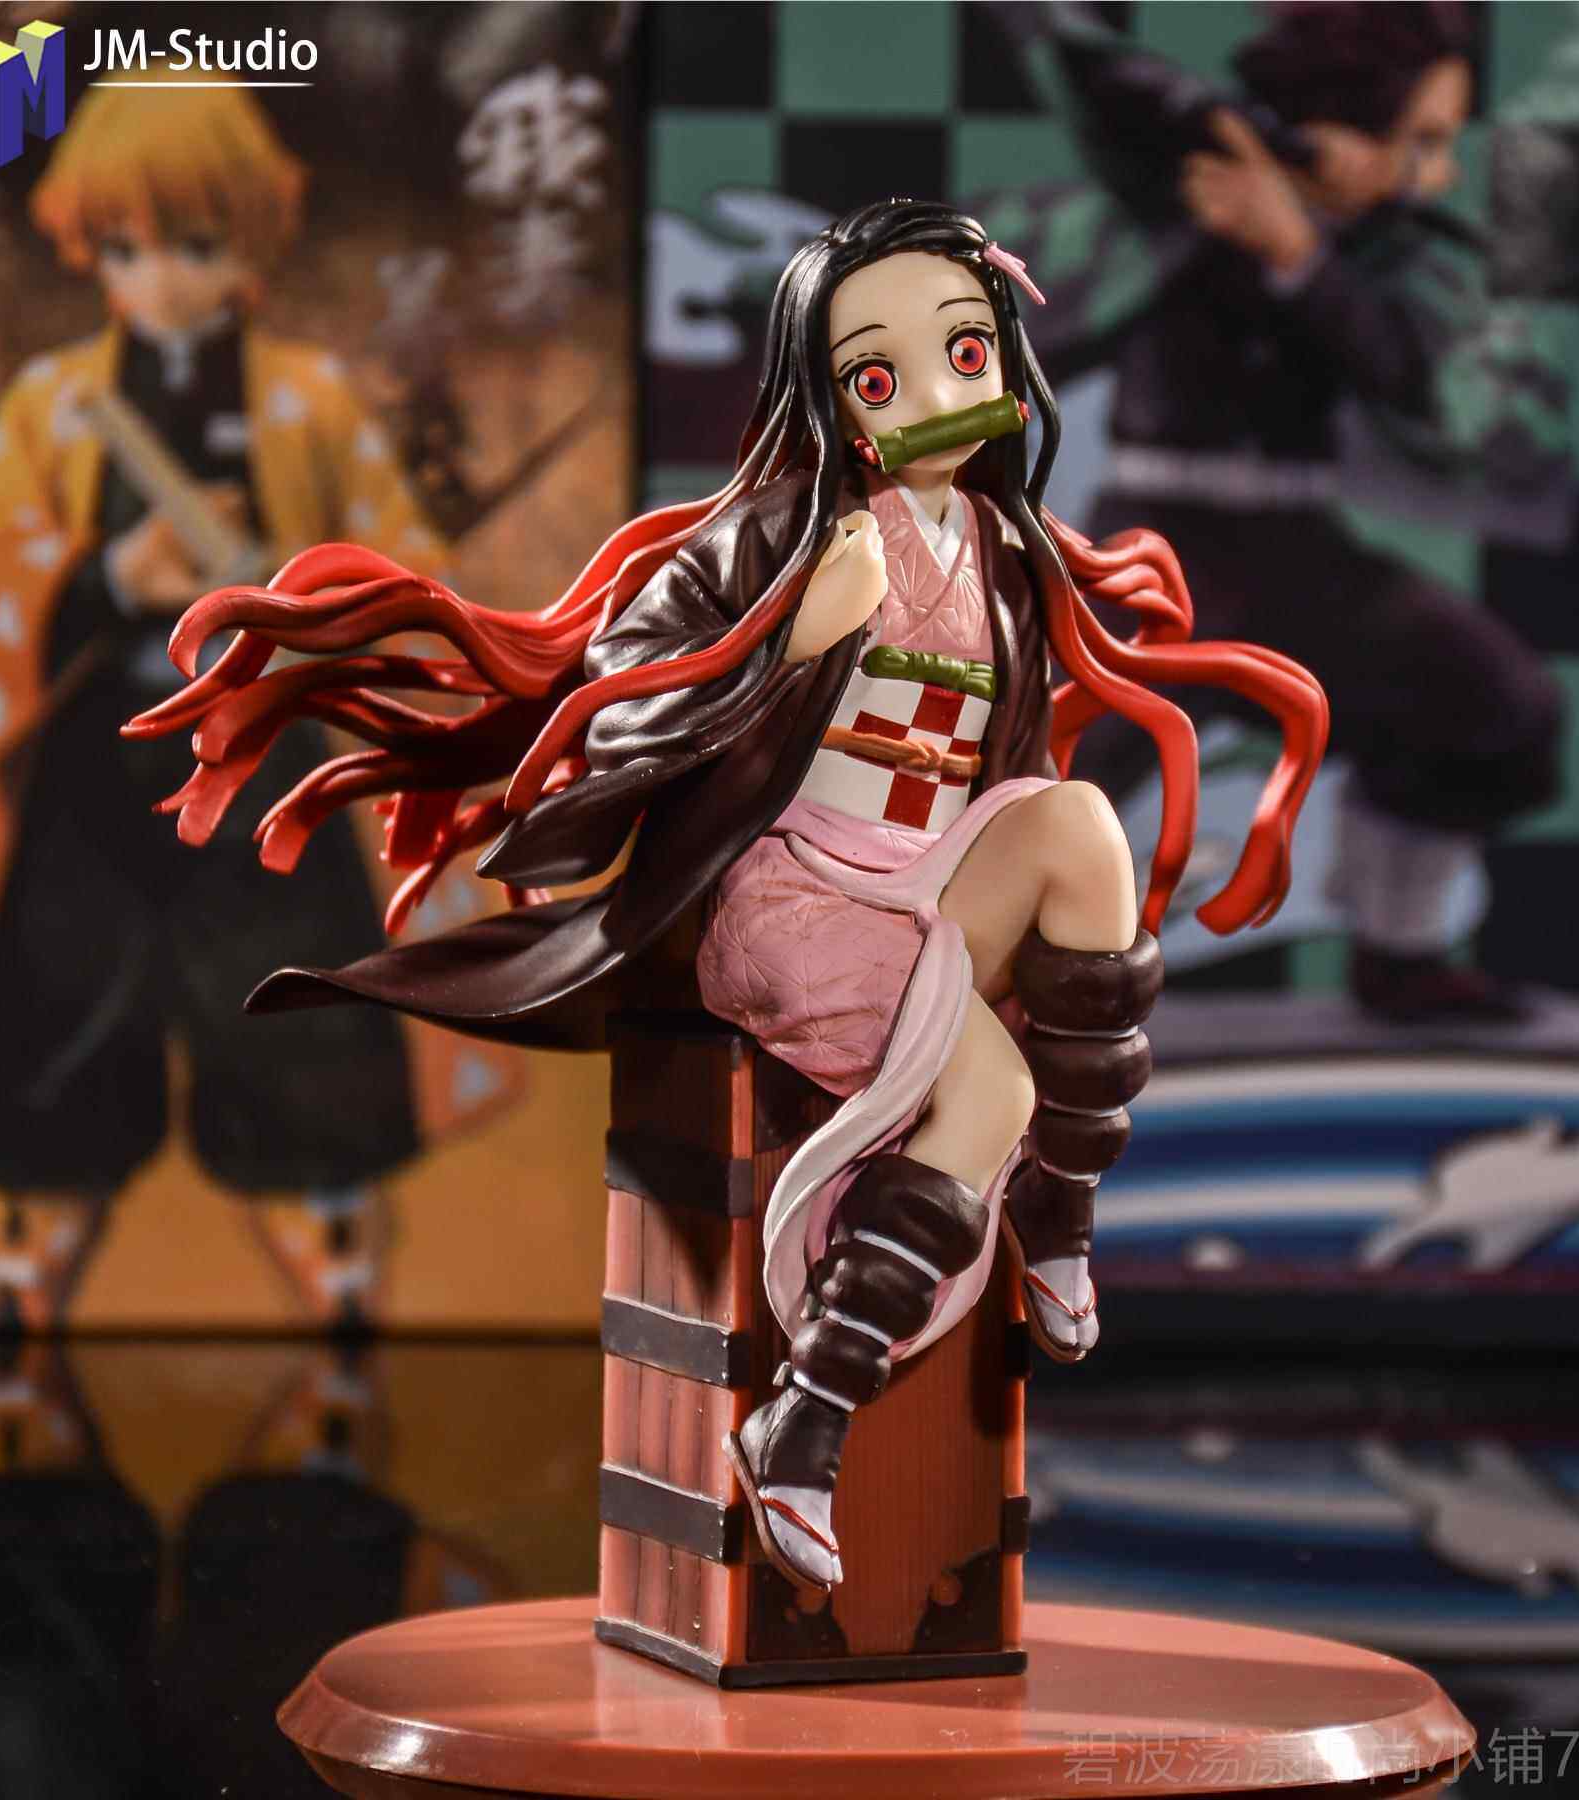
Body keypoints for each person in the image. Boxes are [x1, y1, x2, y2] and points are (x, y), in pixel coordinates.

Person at [128, 199, 1328, 1591]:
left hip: (926, 875)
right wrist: (789, 640)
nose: (931, 396)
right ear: (829, 399)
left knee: (1082, 829)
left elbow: (1013, 771)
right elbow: (618, 710)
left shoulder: (1008, 554)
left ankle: (1059, 1212)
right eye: (877, 376)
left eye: (963, 352)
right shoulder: (763, 540)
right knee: (992, 1087)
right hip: (785, 895)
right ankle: (802, 1423)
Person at [0, 78, 515, 1330]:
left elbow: (409, 576)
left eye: (194, 243)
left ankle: (340, 1338)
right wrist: (103, 579)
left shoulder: (312, 403)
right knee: (45, 1063)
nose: (161, 282)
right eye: (124, 249)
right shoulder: (53, 404)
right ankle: (21, 1335)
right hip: (87, 786)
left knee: (310, 1061)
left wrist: (311, 597)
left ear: (250, 242)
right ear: (87, 249)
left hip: (270, 786)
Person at [1012, 1, 1568, 1021]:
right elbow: (1097, 78)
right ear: (1329, 127)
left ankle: (1401, 951)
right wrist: (1245, 156)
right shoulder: (1174, 184)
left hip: (1302, 555)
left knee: (1498, 709)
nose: (1438, 174)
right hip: (1161, 549)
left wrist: (1296, 250)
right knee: (1051, 769)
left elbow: (1418, 380)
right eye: (1419, 142)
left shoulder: (1381, 250)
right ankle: (978, 984)